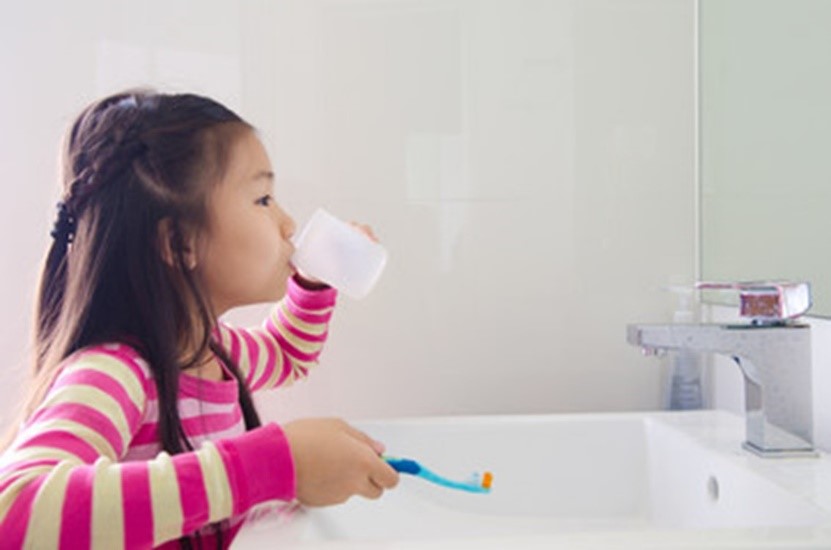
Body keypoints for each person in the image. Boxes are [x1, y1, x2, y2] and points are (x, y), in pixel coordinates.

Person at [0, 89, 399, 549]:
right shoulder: (114, 375)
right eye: (264, 199)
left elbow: (287, 353)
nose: (289, 224)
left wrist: (313, 280)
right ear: (180, 243)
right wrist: (273, 464)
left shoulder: (210, 350)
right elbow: (16, 516)